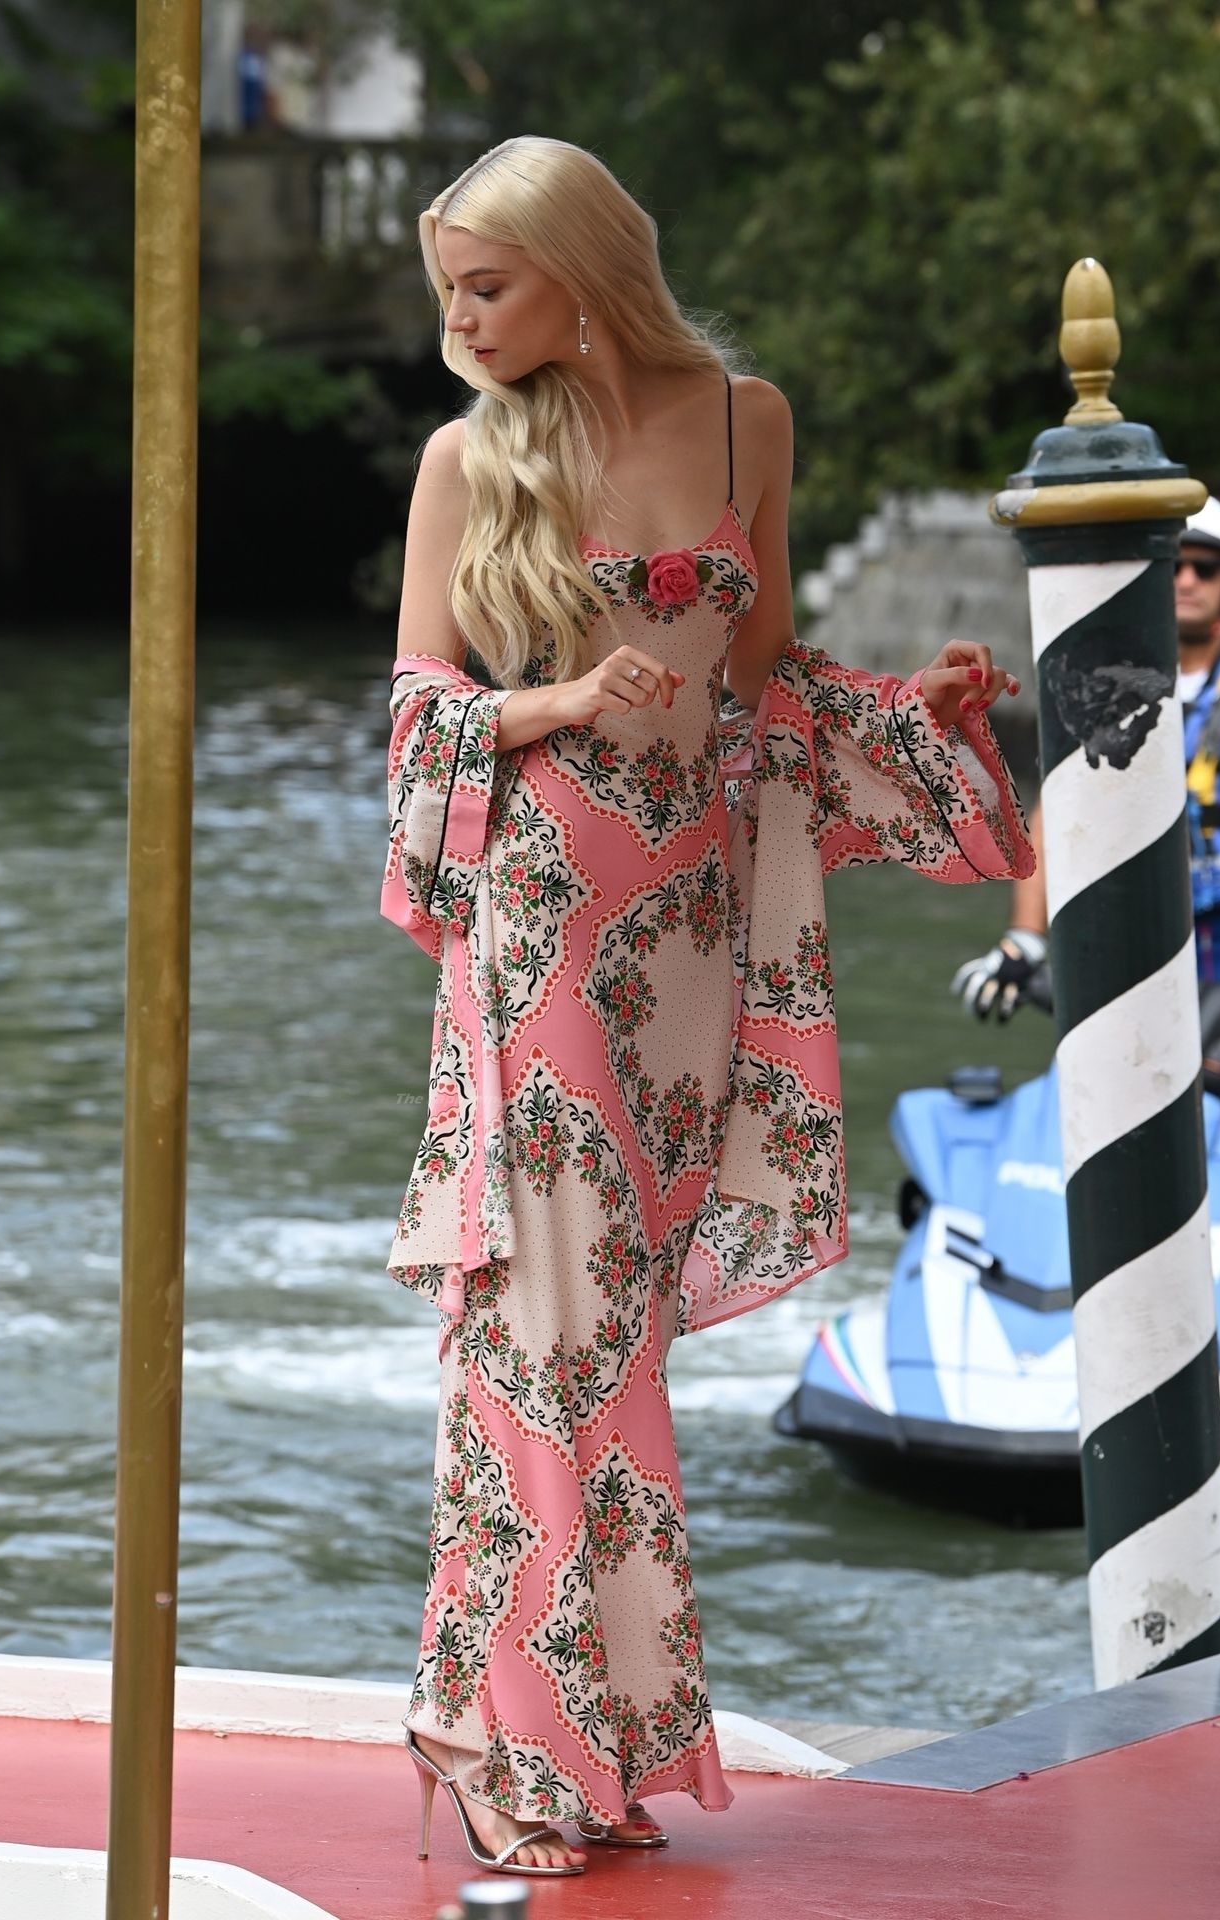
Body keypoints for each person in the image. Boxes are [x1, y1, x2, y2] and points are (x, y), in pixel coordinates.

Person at [380, 135, 1034, 1878]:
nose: (460, 320)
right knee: (543, 1333)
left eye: (487, 285)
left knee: (614, 1350)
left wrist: (915, 709)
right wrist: (552, 703)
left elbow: (765, 684)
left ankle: (584, 1740)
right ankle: (505, 1745)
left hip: (686, 946)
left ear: (584, 270)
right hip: (535, 937)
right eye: (450, 290)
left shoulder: (750, 423)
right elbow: (421, 714)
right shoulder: (468, 457)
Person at [952, 496, 1220, 1026]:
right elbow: (1060, 806)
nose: (1188, 580)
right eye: (1174, 565)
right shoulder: (1107, 682)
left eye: (1206, 567)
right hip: (1143, 925)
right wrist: (1025, 938)